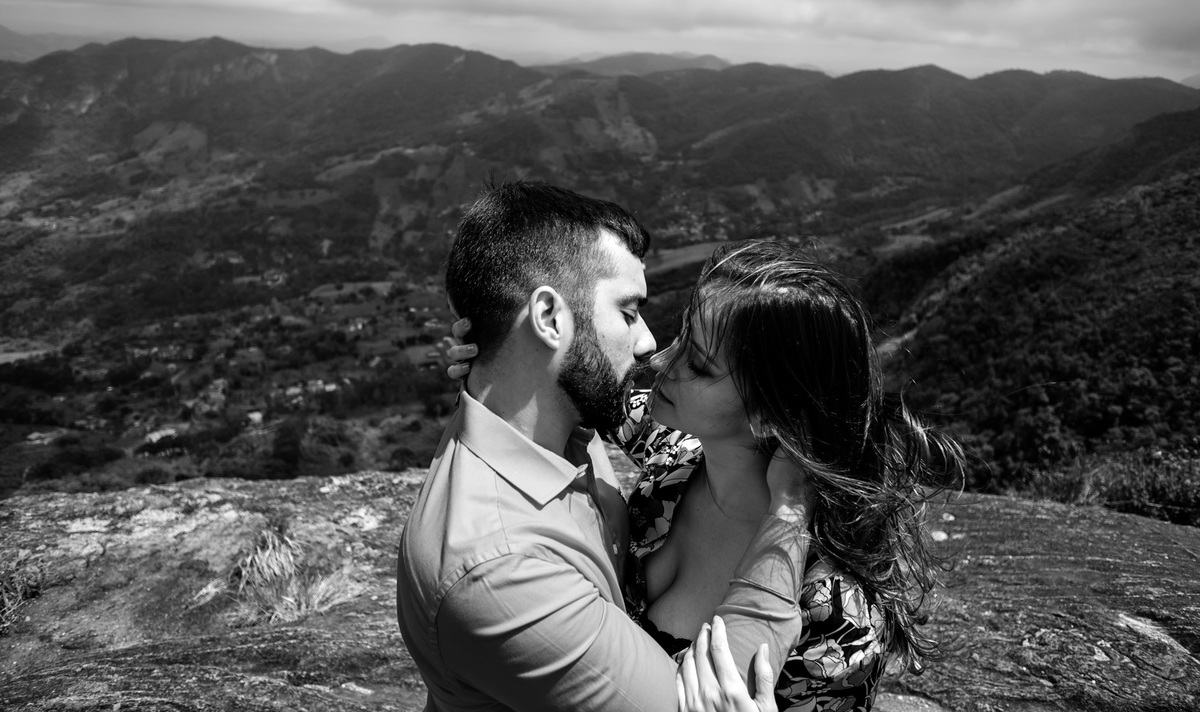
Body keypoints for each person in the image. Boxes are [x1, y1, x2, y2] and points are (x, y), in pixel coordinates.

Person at [448, 238, 966, 711]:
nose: (661, 360)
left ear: (769, 415)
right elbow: (583, 388)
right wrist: (503, 358)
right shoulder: (675, 451)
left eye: (698, 364)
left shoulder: (836, 616)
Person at [396, 182, 815, 712]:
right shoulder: (501, 573)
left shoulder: (550, 419)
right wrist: (790, 511)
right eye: (628, 311)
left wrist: (496, 354)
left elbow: (654, 420)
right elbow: (693, 703)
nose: (647, 343)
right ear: (549, 320)